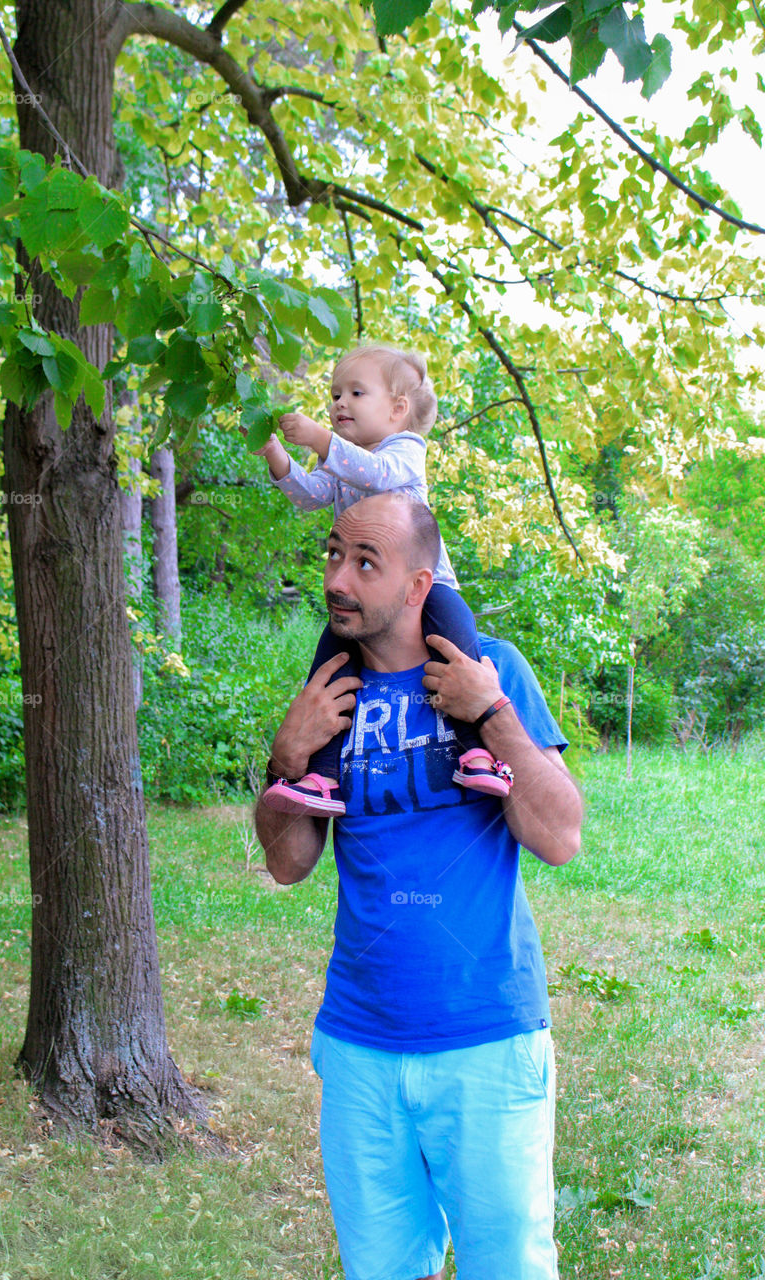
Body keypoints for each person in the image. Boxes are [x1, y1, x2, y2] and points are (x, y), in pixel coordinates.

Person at [255, 493, 583, 1280]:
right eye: (334, 554)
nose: (338, 577)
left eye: (365, 563)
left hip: (487, 1039)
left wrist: (492, 715)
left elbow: (559, 835)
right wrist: (285, 759)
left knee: (507, 1267)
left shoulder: (491, 668)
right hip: (359, 1044)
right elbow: (287, 861)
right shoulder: (328, 692)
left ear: (415, 585)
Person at [252, 343, 513, 817]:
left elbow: (376, 475)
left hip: (430, 590)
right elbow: (309, 497)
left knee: (459, 652)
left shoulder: (403, 451)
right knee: (330, 673)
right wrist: (274, 452)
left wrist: (318, 441)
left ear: (397, 410)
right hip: (364, 602)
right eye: (334, 394)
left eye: (355, 392)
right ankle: (323, 776)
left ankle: (479, 754)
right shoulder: (341, 462)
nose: (338, 404)